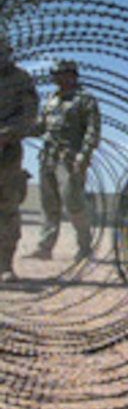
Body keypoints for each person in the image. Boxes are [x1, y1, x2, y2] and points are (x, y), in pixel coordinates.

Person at [27, 59, 101, 262]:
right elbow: (41, 126)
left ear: (71, 75)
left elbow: (92, 131)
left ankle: (85, 247)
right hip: (48, 156)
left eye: (59, 74)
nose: (55, 78)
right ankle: (45, 247)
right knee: (49, 204)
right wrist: (21, 128)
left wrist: (83, 156)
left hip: (69, 158)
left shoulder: (85, 100)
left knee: (73, 203)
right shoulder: (52, 99)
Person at [0, 28, 39, 283]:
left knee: (6, 208)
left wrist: (5, 134)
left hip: (6, 152)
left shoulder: (20, 79)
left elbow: (29, 114)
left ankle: (4, 265)